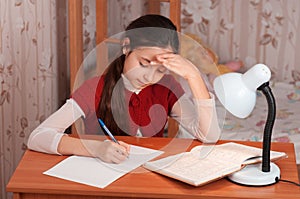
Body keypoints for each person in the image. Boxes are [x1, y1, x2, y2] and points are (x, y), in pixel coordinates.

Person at [27, 14, 220, 164]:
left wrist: (194, 76)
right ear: (126, 48)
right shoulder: (94, 88)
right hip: (101, 180)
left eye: (160, 69)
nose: (149, 77)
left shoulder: (167, 87)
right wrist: (95, 148)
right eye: (144, 63)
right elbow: (38, 137)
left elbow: (209, 136)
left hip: (146, 181)